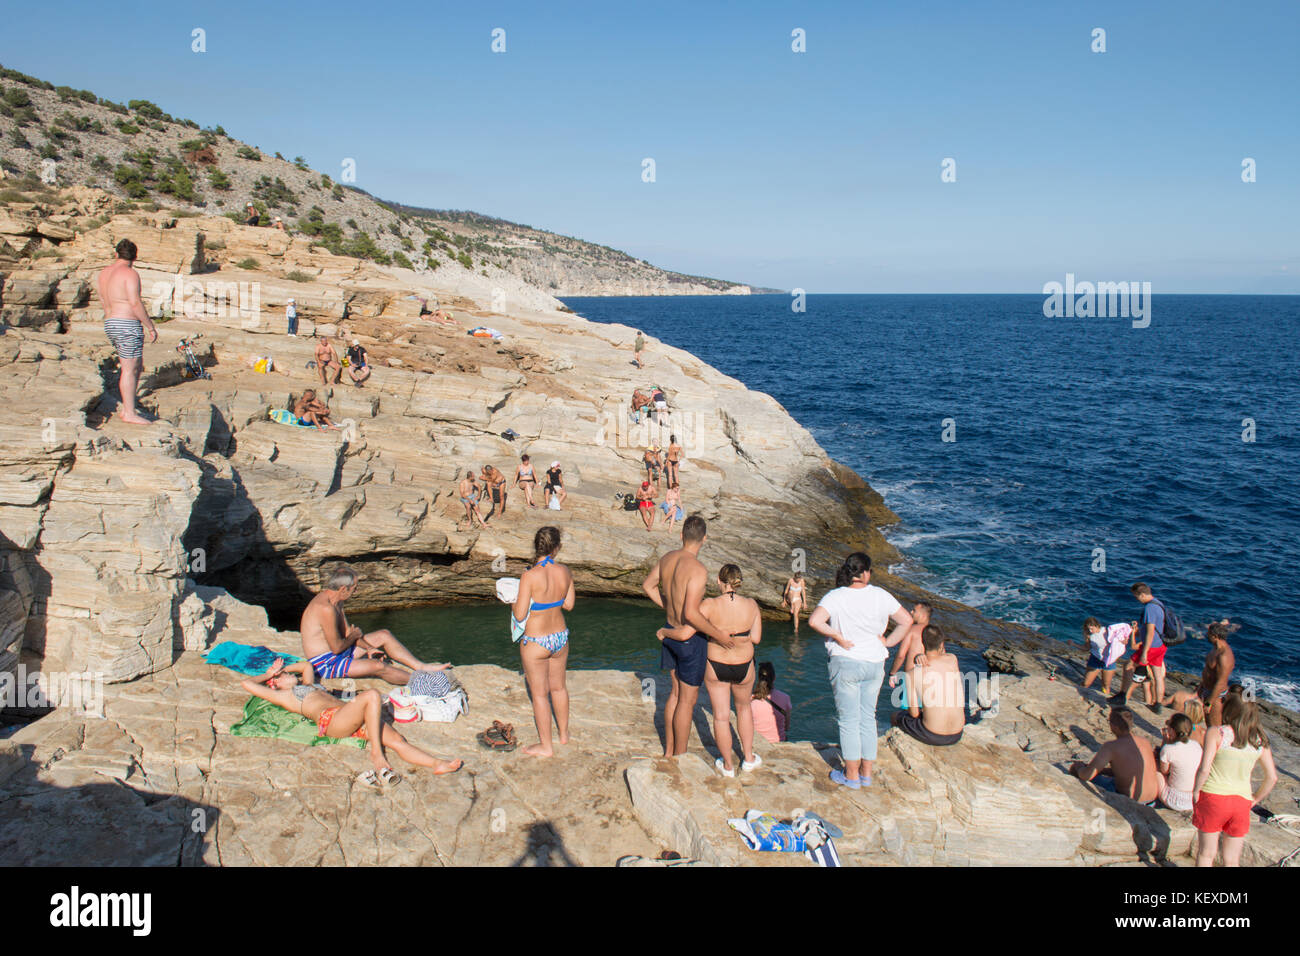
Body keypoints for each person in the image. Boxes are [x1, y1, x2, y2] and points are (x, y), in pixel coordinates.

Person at [241, 658, 462, 781]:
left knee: (398, 740)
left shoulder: (308, 685)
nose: (289, 675)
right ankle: (377, 754)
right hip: (333, 722)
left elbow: (306, 665)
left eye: (286, 673)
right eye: (283, 676)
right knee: (372, 695)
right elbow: (248, 684)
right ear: (276, 684)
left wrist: (283, 669)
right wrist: (270, 674)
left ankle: (437, 764)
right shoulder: (284, 696)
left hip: (352, 717)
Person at [808, 552, 914, 789]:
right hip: (875, 662)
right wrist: (888, 642)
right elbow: (906, 621)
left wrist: (837, 636)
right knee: (868, 717)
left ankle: (851, 775)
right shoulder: (880, 595)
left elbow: (815, 621)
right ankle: (866, 773)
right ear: (866, 572)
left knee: (848, 720)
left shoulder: (835, 596)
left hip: (845, 661)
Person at [642, 515, 734, 758]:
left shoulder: (667, 558)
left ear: (682, 535)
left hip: (669, 630)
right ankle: (680, 758)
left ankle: (669, 752)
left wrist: (668, 604)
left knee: (674, 694)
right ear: (704, 539)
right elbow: (692, 615)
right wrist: (719, 635)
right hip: (688, 641)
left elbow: (647, 586)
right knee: (686, 701)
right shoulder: (698, 570)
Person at [658, 564, 762, 776]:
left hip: (716, 665)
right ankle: (749, 759)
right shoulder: (752, 605)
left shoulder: (709, 605)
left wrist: (664, 633)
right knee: (743, 709)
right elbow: (757, 638)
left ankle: (727, 766)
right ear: (739, 582)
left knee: (721, 716)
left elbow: (686, 633)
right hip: (744, 664)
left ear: (718, 581)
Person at [300, 564, 449, 684]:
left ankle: (421, 667)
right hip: (326, 664)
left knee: (384, 635)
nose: (356, 591)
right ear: (343, 589)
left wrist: (369, 648)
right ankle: (423, 683)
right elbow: (337, 647)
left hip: (339, 653)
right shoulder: (325, 608)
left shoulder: (336, 601)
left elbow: (347, 633)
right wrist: (354, 636)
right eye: (354, 588)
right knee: (379, 667)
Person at [511, 527, 576, 758]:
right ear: (556, 548)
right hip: (560, 637)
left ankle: (546, 747)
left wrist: (512, 600)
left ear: (536, 547)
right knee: (558, 687)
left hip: (536, 640)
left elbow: (519, 615)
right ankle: (564, 735)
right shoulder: (565, 571)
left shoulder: (529, 576)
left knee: (540, 694)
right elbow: (568, 605)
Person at [1191, 695, 1278, 867]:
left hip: (1213, 797)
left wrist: (1195, 790)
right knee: (1232, 860)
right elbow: (1272, 777)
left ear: (1230, 710)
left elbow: (1205, 768)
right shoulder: (1259, 740)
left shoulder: (1217, 733)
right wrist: (1256, 799)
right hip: (1241, 801)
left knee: (1206, 853)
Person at [96, 238, 158, 425]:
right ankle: (129, 412)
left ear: (116, 254)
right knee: (129, 368)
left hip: (111, 322)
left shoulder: (104, 273)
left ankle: (129, 405)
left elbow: (103, 300)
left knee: (135, 364)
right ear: (135, 256)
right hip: (127, 323)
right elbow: (134, 302)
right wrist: (150, 326)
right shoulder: (129, 274)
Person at [890, 624, 965, 746]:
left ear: (923, 644)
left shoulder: (912, 675)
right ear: (941, 644)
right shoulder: (952, 660)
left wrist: (918, 656)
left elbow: (914, 714)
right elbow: (942, 654)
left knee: (895, 716)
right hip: (957, 734)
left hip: (933, 735)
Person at [1069, 706, 1161, 805]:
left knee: (1075, 770)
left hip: (1130, 801)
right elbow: (1129, 771)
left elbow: (1086, 775)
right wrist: (1103, 771)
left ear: (1114, 726)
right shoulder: (1145, 742)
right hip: (1152, 800)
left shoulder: (1111, 747)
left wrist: (1079, 768)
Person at [1111, 583, 1169, 713]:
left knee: (1128, 666)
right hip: (1161, 645)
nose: (1137, 599)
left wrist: (1145, 651)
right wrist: (1136, 633)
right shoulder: (1159, 604)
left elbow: (1150, 631)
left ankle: (1122, 696)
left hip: (1150, 647)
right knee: (1158, 675)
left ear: (1142, 594)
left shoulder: (1149, 608)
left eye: (1136, 596)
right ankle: (1158, 704)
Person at [1166, 620, 1237, 726]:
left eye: (1208, 634)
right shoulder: (1215, 649)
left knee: (1214, 726)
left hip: (1216, 696)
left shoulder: (1224, 655)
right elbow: (1210, 671)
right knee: (1207, 722)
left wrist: (1209, 702)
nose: (1206, 635)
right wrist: (1201, 687)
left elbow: (1221, 682)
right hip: (1206, 690)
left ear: (1214, 636)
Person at [1157, 712, 1203, 812]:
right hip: (1193, 798)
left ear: (1172, 730)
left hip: (1175, 799)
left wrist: (1165, 741)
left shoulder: (1168, 749)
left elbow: (1164, 771)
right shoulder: (1196, 745)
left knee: (1157, 774)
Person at [887, 601, 932, 699]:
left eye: (914, 611)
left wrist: (892, 673)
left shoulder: (912, 630)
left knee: (909, 712)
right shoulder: (935, 632)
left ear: (923, 615)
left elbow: (901, 655)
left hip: (913, 679)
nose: (911, 612)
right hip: (931, 679)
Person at [1080, 617, 1132, 696]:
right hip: (1095, 660)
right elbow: (1086, 648)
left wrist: (1125, 640)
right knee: (1086, 683)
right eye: (1088, 629)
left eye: (1092, 628)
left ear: (1097, 625)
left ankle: (1105, 699)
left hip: (1108, 661)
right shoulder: (1089, 635)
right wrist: (1073, 644)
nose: (1090, 631)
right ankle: (1080, 694)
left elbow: (1121, 636)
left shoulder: (1107, 631)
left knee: (1106, 685)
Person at [752, 661, 792, 743]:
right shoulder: (785, 698)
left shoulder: (750, 701)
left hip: (757, 743)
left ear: (759, 678)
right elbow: (786, 728)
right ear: (774, 678)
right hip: (779, 741)